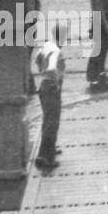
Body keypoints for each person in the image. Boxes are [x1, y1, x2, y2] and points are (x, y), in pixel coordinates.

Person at [31, 24, 64, 171]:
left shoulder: (46, 45)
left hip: (43, 86)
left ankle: (50, 148)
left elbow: (37, 60)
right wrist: (56, 82)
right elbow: (51, 68)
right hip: (51, 88)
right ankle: (46, 157)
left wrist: (42, 72)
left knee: (48, 120)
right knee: (52, 122)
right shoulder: (56, 50)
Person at [86, 0, 108, 90]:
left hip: (104, 21)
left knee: (102, 51)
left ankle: (101, 74)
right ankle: (94, 78)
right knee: (98, 51)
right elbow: (99, 12)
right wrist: (107, 27)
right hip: (101, 23)